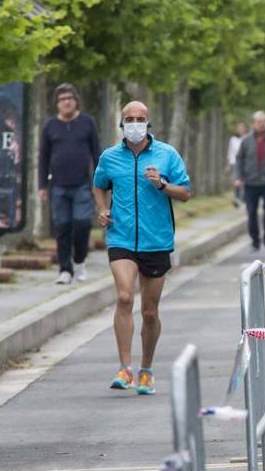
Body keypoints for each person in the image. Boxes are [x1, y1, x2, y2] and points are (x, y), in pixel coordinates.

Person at [93, 101, 192, 395]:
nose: (134, 124)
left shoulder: (167, 155)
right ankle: (125, 368)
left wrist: (162, 184)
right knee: (124, 297)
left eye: (140, 119)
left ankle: (146, 369)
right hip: (121, 237)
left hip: (156, 240)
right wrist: (102, 209)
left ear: (148, 123)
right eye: (129, 119)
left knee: (149, 312)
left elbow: (185, 192)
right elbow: (99, 184)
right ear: (122, 124)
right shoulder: (110, 157)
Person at [39, 83, 103, 284]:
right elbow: (43, 157)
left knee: (82, 224)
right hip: (58, 185)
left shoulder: (87, 123)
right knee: (62, 227)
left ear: (76, 101)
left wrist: (100, 182)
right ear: (57, 104)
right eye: (62, 99)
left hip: (83, 184)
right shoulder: (50, 126)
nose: (66, 102)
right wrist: (42, 186)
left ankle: (80, 262)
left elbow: (96, 153)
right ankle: (64, 269)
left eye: (70, 98)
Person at [235, 111, 265, 250]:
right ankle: (255, 241)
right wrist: (238, 177)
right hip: (250, 181)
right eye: (258, 122)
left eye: (264, 121)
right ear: (254, 123)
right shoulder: (246, 141)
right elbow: (239, 159)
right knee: (252, 212)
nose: (261, 124)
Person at [228, 121, 247, 209]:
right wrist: (229, 162)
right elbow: (230, 151)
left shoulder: (247, 139)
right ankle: (236, 198)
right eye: (239, 128)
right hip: (234, 162)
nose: (240, 130)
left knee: (243, 181)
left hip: (244, 163)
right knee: (235, 181)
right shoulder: (233, 139)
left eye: (242, 128)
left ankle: (242, 198)